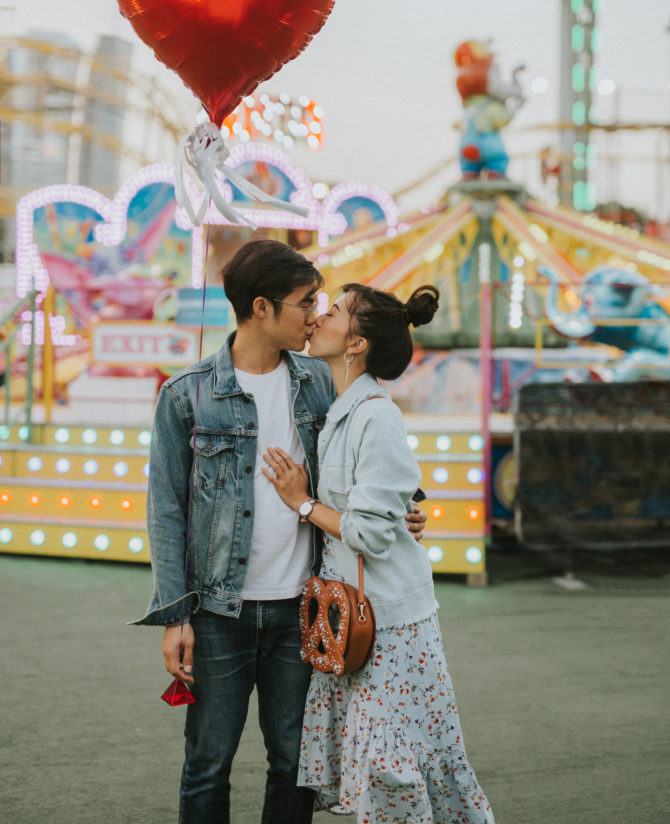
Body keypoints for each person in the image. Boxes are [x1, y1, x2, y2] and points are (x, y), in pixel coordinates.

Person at [133, 239, 426, 824]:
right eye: (306, 302)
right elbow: (165, 511)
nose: (316, 314)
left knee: (295, 763)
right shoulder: (185, 394)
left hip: (304, 607)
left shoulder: (321, 380)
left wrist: (408, 507)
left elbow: (369, 454)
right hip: (218, 612)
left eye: (320, 302)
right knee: (208, 762)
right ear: (261, 307)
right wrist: (175, 617)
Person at [263, 282, 496, 824]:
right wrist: (403, 510)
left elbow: (368, 534)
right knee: (386, 763)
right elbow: (383, 500)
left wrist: (302, 503)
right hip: (355, 615)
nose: (319, 317)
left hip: (388, 623)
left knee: (393, 765)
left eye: (334, 311)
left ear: (356, 343)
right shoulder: (342, 406)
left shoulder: (375, 416)